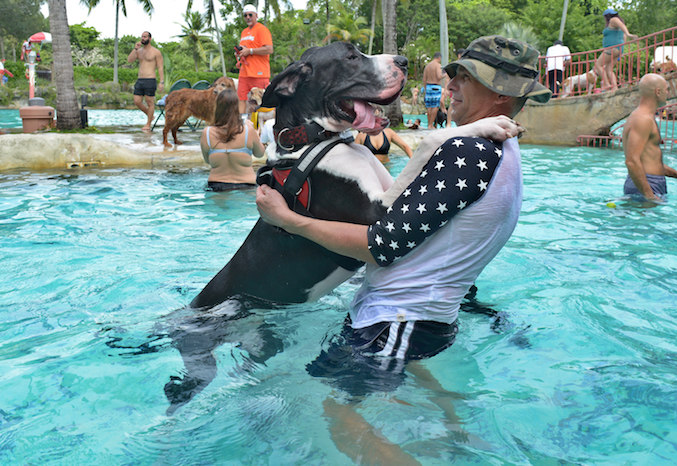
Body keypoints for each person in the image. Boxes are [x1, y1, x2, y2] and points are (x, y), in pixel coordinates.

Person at [256, 35, 549, 461]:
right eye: (453, 77)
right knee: (398, 383)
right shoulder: (506, 149)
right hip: (428, 317)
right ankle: (458, 436)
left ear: (501, 93)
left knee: (337, 412)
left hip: (396, 320)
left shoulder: (469, 151)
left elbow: (382, 245)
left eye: (464, 79)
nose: (449, 88)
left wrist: (290, 221)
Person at [622, 73, 677, 201]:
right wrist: (649, 195)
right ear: (658, 92)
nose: (668, 93)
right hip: (646, 186)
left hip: (649, 184)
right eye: (666, 89)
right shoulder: (642, 119)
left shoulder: (644, 117)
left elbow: (649, 161)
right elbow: (632, 161)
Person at [200, 88, 265, 191]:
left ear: (217, 107)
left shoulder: (207, 133)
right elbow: (260, 154)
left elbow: (208, 160)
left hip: (217, 187)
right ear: (237, 107)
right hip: (247, 186)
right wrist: (256, 135)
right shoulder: (248, 130)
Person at [235, 4, 273, 116]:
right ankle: (242, 127)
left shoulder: (262, 30)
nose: (248, 17)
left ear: (256, 15)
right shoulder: (244, 32)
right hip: (244, 73)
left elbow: (269, 49)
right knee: (241, 99)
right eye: (245, 15)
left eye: (250, 15)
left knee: (260, 101)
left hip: (259, 74)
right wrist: (240, 55)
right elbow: (245, 50)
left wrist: (250, 51)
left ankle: (261, 130)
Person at [127, 31, 164, 132]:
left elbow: (160, 67)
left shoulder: (156, 52)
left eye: (145, 37)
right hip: (140, 80)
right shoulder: (139, 51)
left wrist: (161, 82)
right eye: (142, 37)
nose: (143, 38)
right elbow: (130, 60)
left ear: (150, 38)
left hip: (150, 79)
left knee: (150, 102)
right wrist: (135, 49)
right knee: (137, 101)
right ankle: (150, 115)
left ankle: (148, 124)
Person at [594, 9, 637, 92]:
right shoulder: (618, 25)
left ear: (607, 16)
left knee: (598, 65)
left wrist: (629, 34)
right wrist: (621, 51)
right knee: (609, 69)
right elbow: (624, 37)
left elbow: (622, 27)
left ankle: (606, 84)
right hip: (617, 49)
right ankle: (614, 87)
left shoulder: (613, 20)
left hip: (612, 48)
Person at [422, 52, 445, 129]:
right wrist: (445, 75)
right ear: (439, 58)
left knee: (429, 106)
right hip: (436, 86)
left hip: (428, 87)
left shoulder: (428, 66)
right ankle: (431, 125)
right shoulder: (438, 65)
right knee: (435, 106)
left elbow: (424, 79)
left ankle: (429, 124)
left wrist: (425, 89)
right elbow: (439, 76)